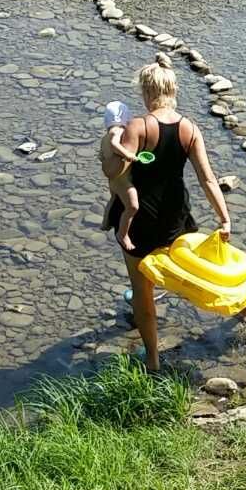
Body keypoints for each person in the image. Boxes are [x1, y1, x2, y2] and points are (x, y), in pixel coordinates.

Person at [105, 57, 231, 374]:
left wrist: (112, 140)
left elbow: (114, 171)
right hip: (176, 216)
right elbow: (208, 179)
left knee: (141, 286)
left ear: (147, 93)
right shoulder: (189, 129)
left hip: (140, 220)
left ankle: (152, 359)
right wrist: (224, 218)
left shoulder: (138, 126)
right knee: (178, 266)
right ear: (173, 91)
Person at [98, 98, 139, 247]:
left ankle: (105, 223)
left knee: (113, 198)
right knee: (133, 206)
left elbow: (101, 155)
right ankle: (123, 234)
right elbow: (115, 145)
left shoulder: (104, 137)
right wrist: (127, 155)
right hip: (122, 180)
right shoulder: (118, 131)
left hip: (113, 179)